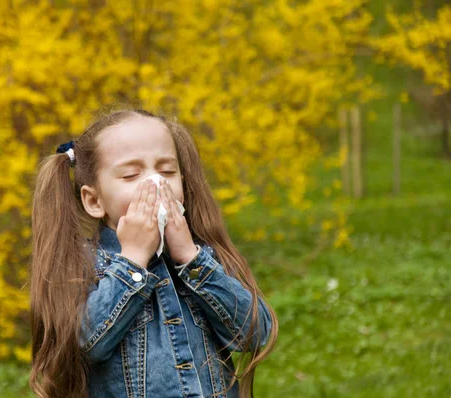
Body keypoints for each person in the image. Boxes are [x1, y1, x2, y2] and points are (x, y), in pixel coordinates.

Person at [29, 109, 278, 398]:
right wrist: (133, 259)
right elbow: (85, 347)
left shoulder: (203, 257)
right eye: (132, 174)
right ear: (94, 200)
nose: (155, 184)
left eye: (167, 171)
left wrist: (190, 257)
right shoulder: (86, 264)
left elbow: (254, 334)